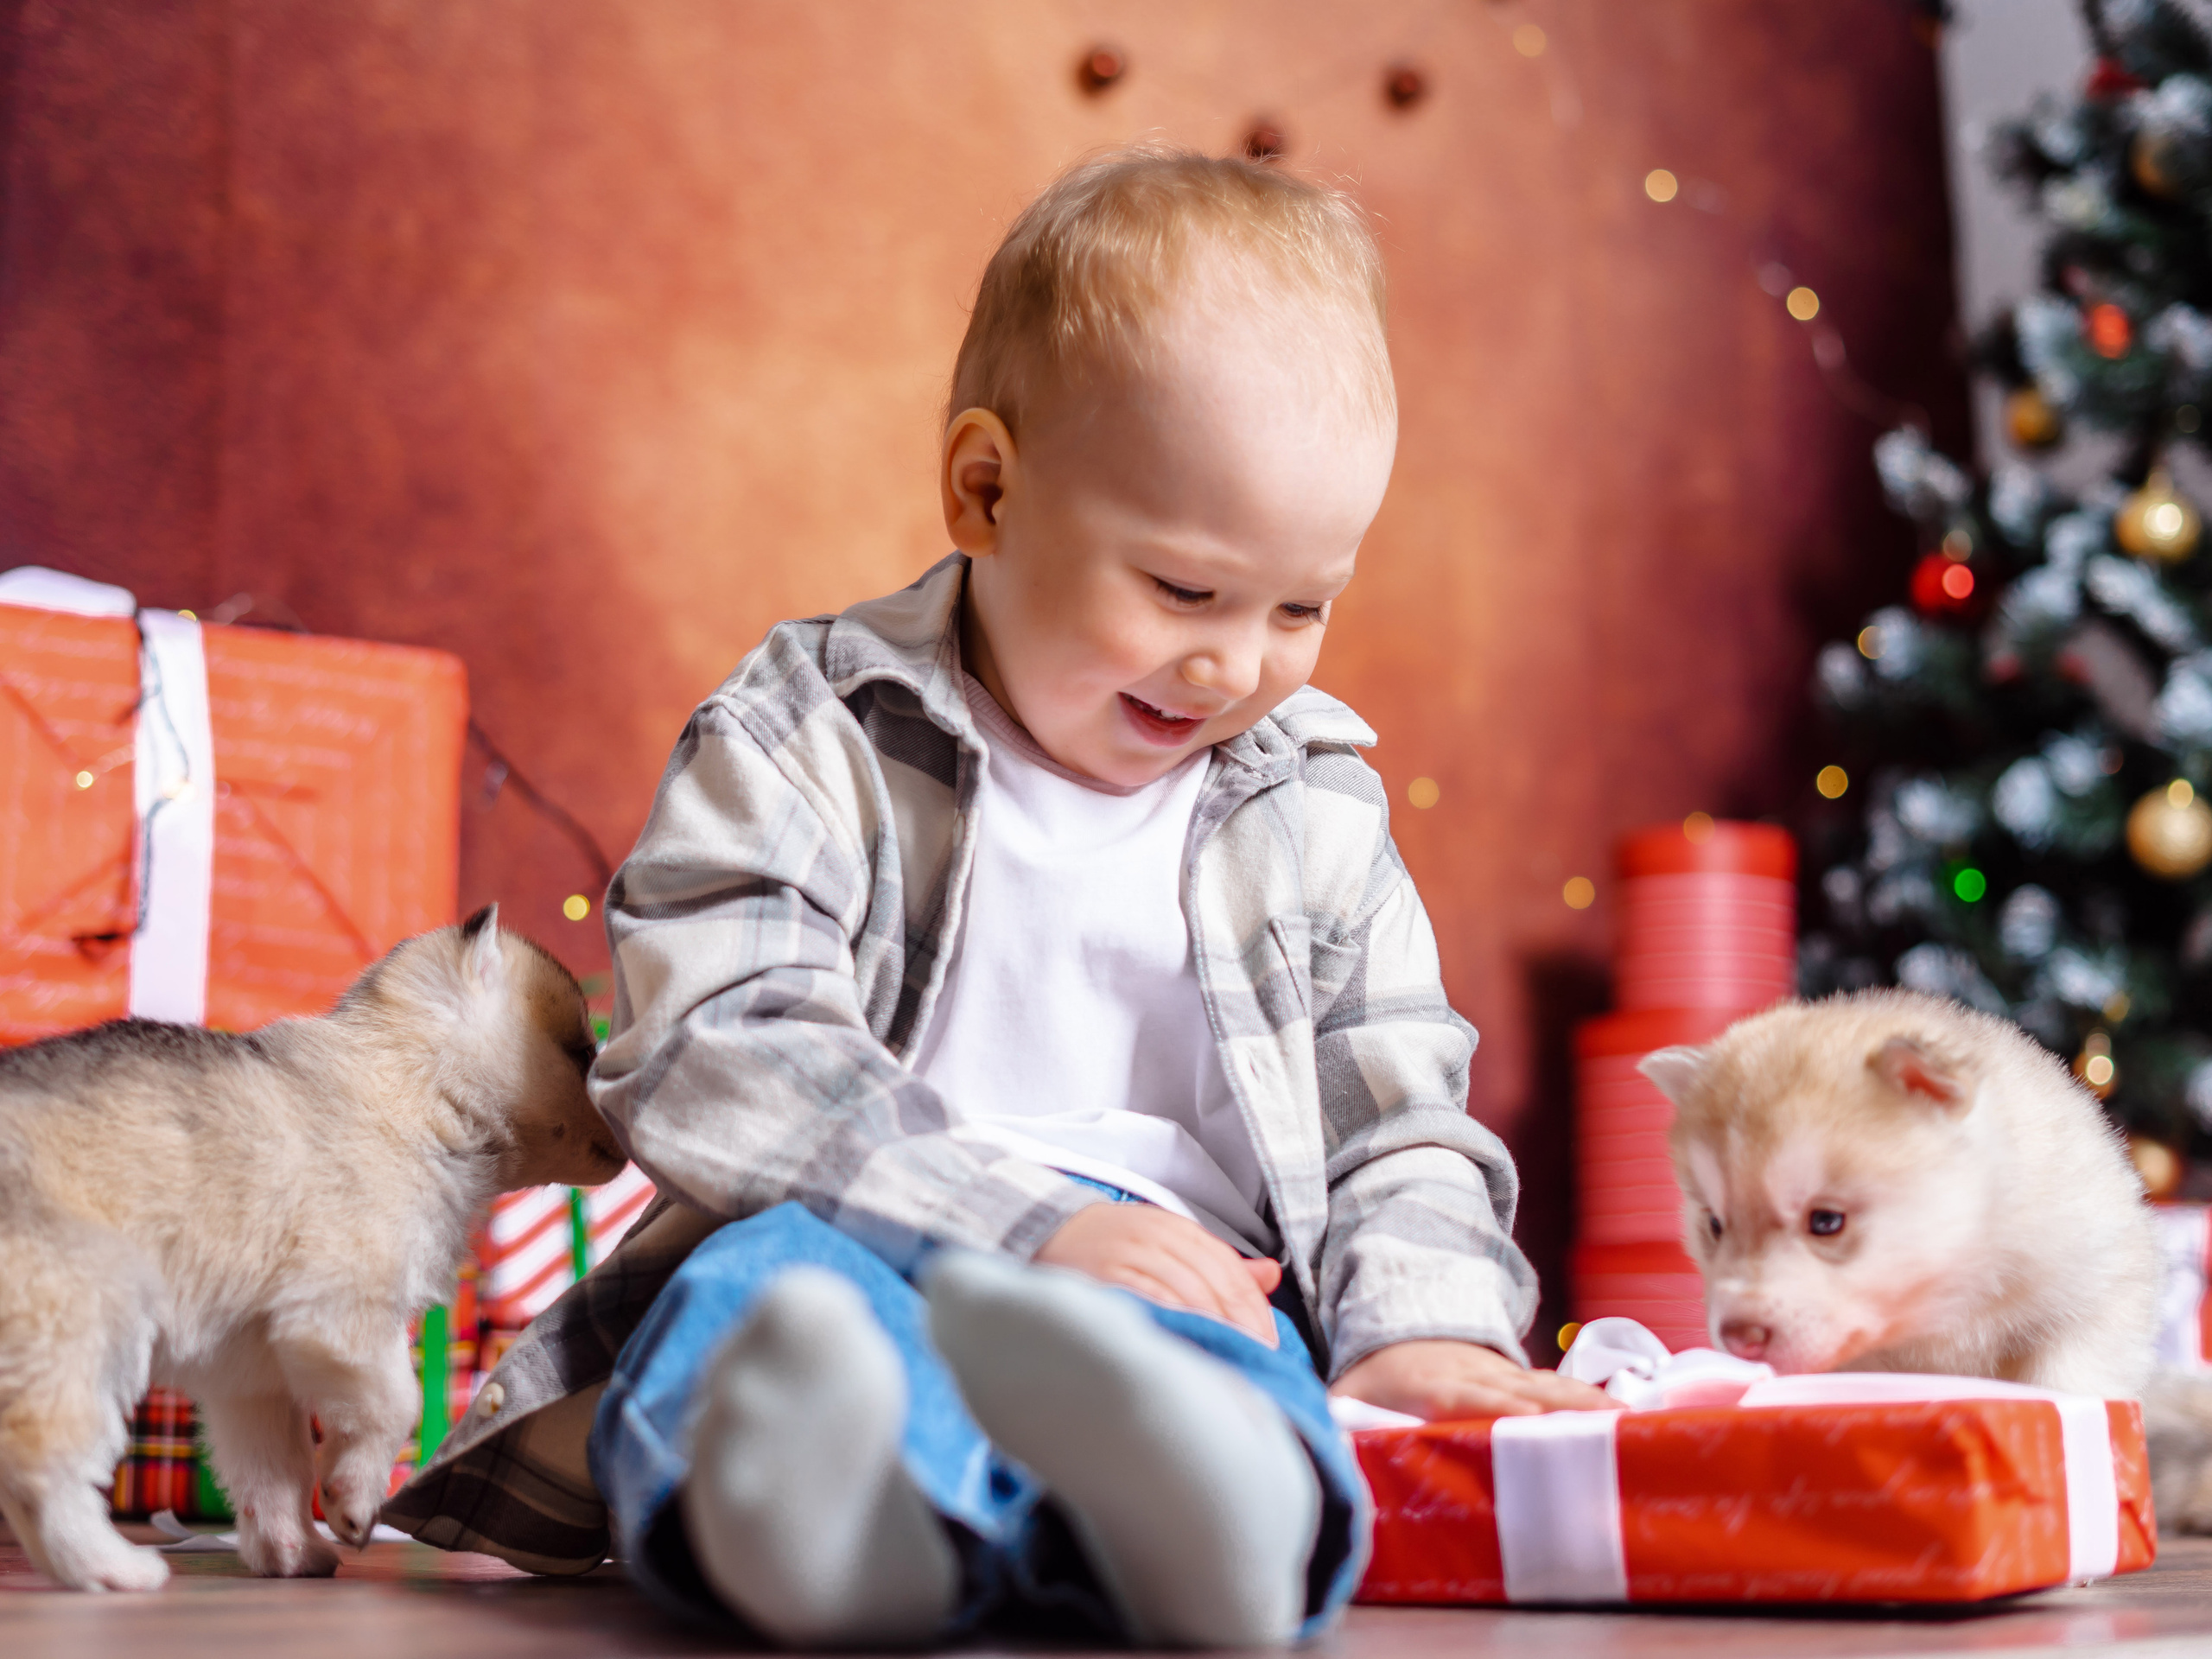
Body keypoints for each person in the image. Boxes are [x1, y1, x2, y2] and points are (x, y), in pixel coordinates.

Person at [380, 144, 1605, 1646]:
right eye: (1180, 590)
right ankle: (825, 1524)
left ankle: (1208, 1523)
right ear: (987, 490)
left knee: (1236, 1355)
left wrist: (1422, 1329)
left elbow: (1396, 1118)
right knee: (764, 1313)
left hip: (1182, 1258)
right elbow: (717, 1044)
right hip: (865, 1211)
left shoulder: (1315, 810)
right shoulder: (809, 729)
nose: (1237, 666)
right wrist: (1014, 1225)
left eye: (1302, 607)